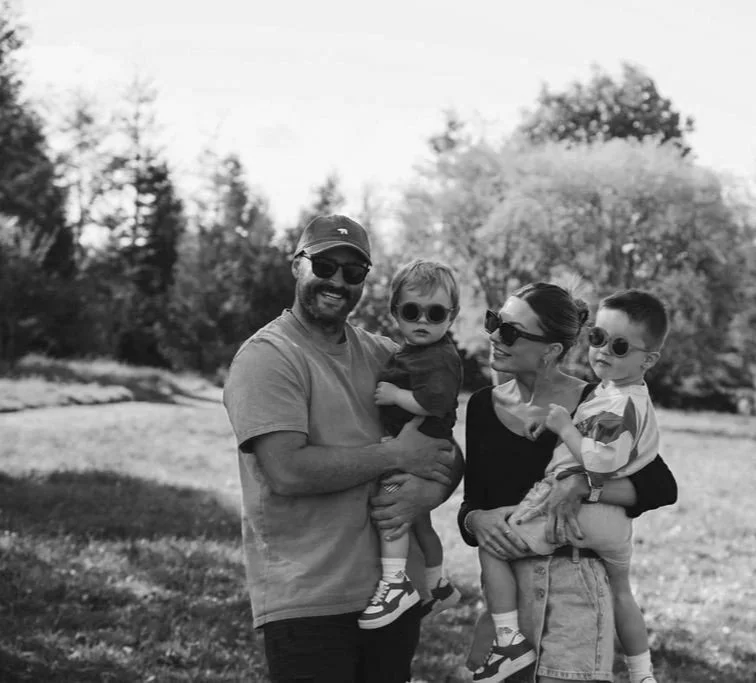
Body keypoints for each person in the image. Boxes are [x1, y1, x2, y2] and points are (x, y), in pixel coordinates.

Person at [222, 214, 460, 683]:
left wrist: (427, 494)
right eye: (326, 265)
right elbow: (286, 470)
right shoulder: (268, 357)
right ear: (297, 265)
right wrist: (396, 457)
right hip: (308, 600)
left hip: (393, 598)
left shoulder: (387, 354)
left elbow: (445, 450)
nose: (337, 281)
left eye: (354, 273)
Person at [459, 282, 678, 683]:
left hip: (575, 595)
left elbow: (661, 487)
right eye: (495, 322)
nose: (493, 336)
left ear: (551, 350)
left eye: (509, 331)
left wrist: (582, 486)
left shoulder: (597, 400)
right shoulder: (480, 407)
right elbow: (472, 504)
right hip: (510, 590)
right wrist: (477, 521)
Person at [359, 258, 464, 629]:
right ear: (395, 313)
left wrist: (395, 396)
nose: (422, 320)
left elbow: (434, 403)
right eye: (412, 311)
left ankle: (395, 583)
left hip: (415, 450)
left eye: (435, 313)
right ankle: (438, 584)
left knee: (392, 509)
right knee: (420, 522)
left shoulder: (437, 359)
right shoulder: (420, 352)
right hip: (423, 444)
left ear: (451, 317)